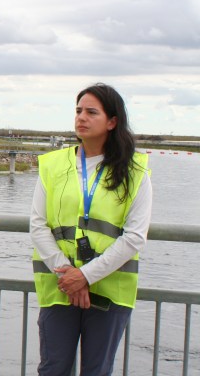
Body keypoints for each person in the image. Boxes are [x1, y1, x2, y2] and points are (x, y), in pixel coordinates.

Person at [30, 83, 152, 375]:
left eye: (91, 112)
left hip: (109, 290)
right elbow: (37, 224)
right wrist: (69, 276)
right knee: (53, 368)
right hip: (59, 286)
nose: (81, 117)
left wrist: (84, 276)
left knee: (97, 370)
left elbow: (134, 237)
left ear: (112, 122)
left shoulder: (135, 171)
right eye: (78, 110)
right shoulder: (53, 165)